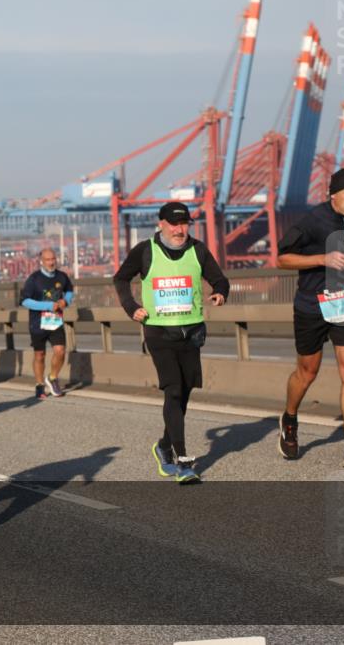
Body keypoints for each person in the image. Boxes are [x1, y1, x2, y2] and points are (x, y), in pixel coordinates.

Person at [113, 201, 229, 484]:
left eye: (184, 223)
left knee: (184, 392)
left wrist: (220, 292)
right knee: (173, 389)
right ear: (161, 224)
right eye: (174, 224)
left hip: (191, 332)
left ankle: (163, 446)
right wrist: (132, 307)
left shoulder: (198, 249)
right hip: (158, 332)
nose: (180, 229)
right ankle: (184, 460)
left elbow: (219, 279)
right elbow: (121, 278)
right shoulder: (145, 250)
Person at [277, 168, 344, 467]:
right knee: (307, 372)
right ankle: (290, 418)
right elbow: (282, 258)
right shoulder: (313, 220)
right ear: (332, 195)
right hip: (311, 305)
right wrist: (322, 258)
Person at [20, 249, 74, 399]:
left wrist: (66, 300)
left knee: (60, 351)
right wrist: (48, 306)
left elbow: (69, 290)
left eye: (53, 259)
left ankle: (52, 377)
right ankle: (39, 385)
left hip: (56, 321)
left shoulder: (62, 276)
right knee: (40, 355)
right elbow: (25, 301)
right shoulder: (34, 279)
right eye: (48, 259)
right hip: (38, 323)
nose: (51, 262)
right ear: (41, 261)